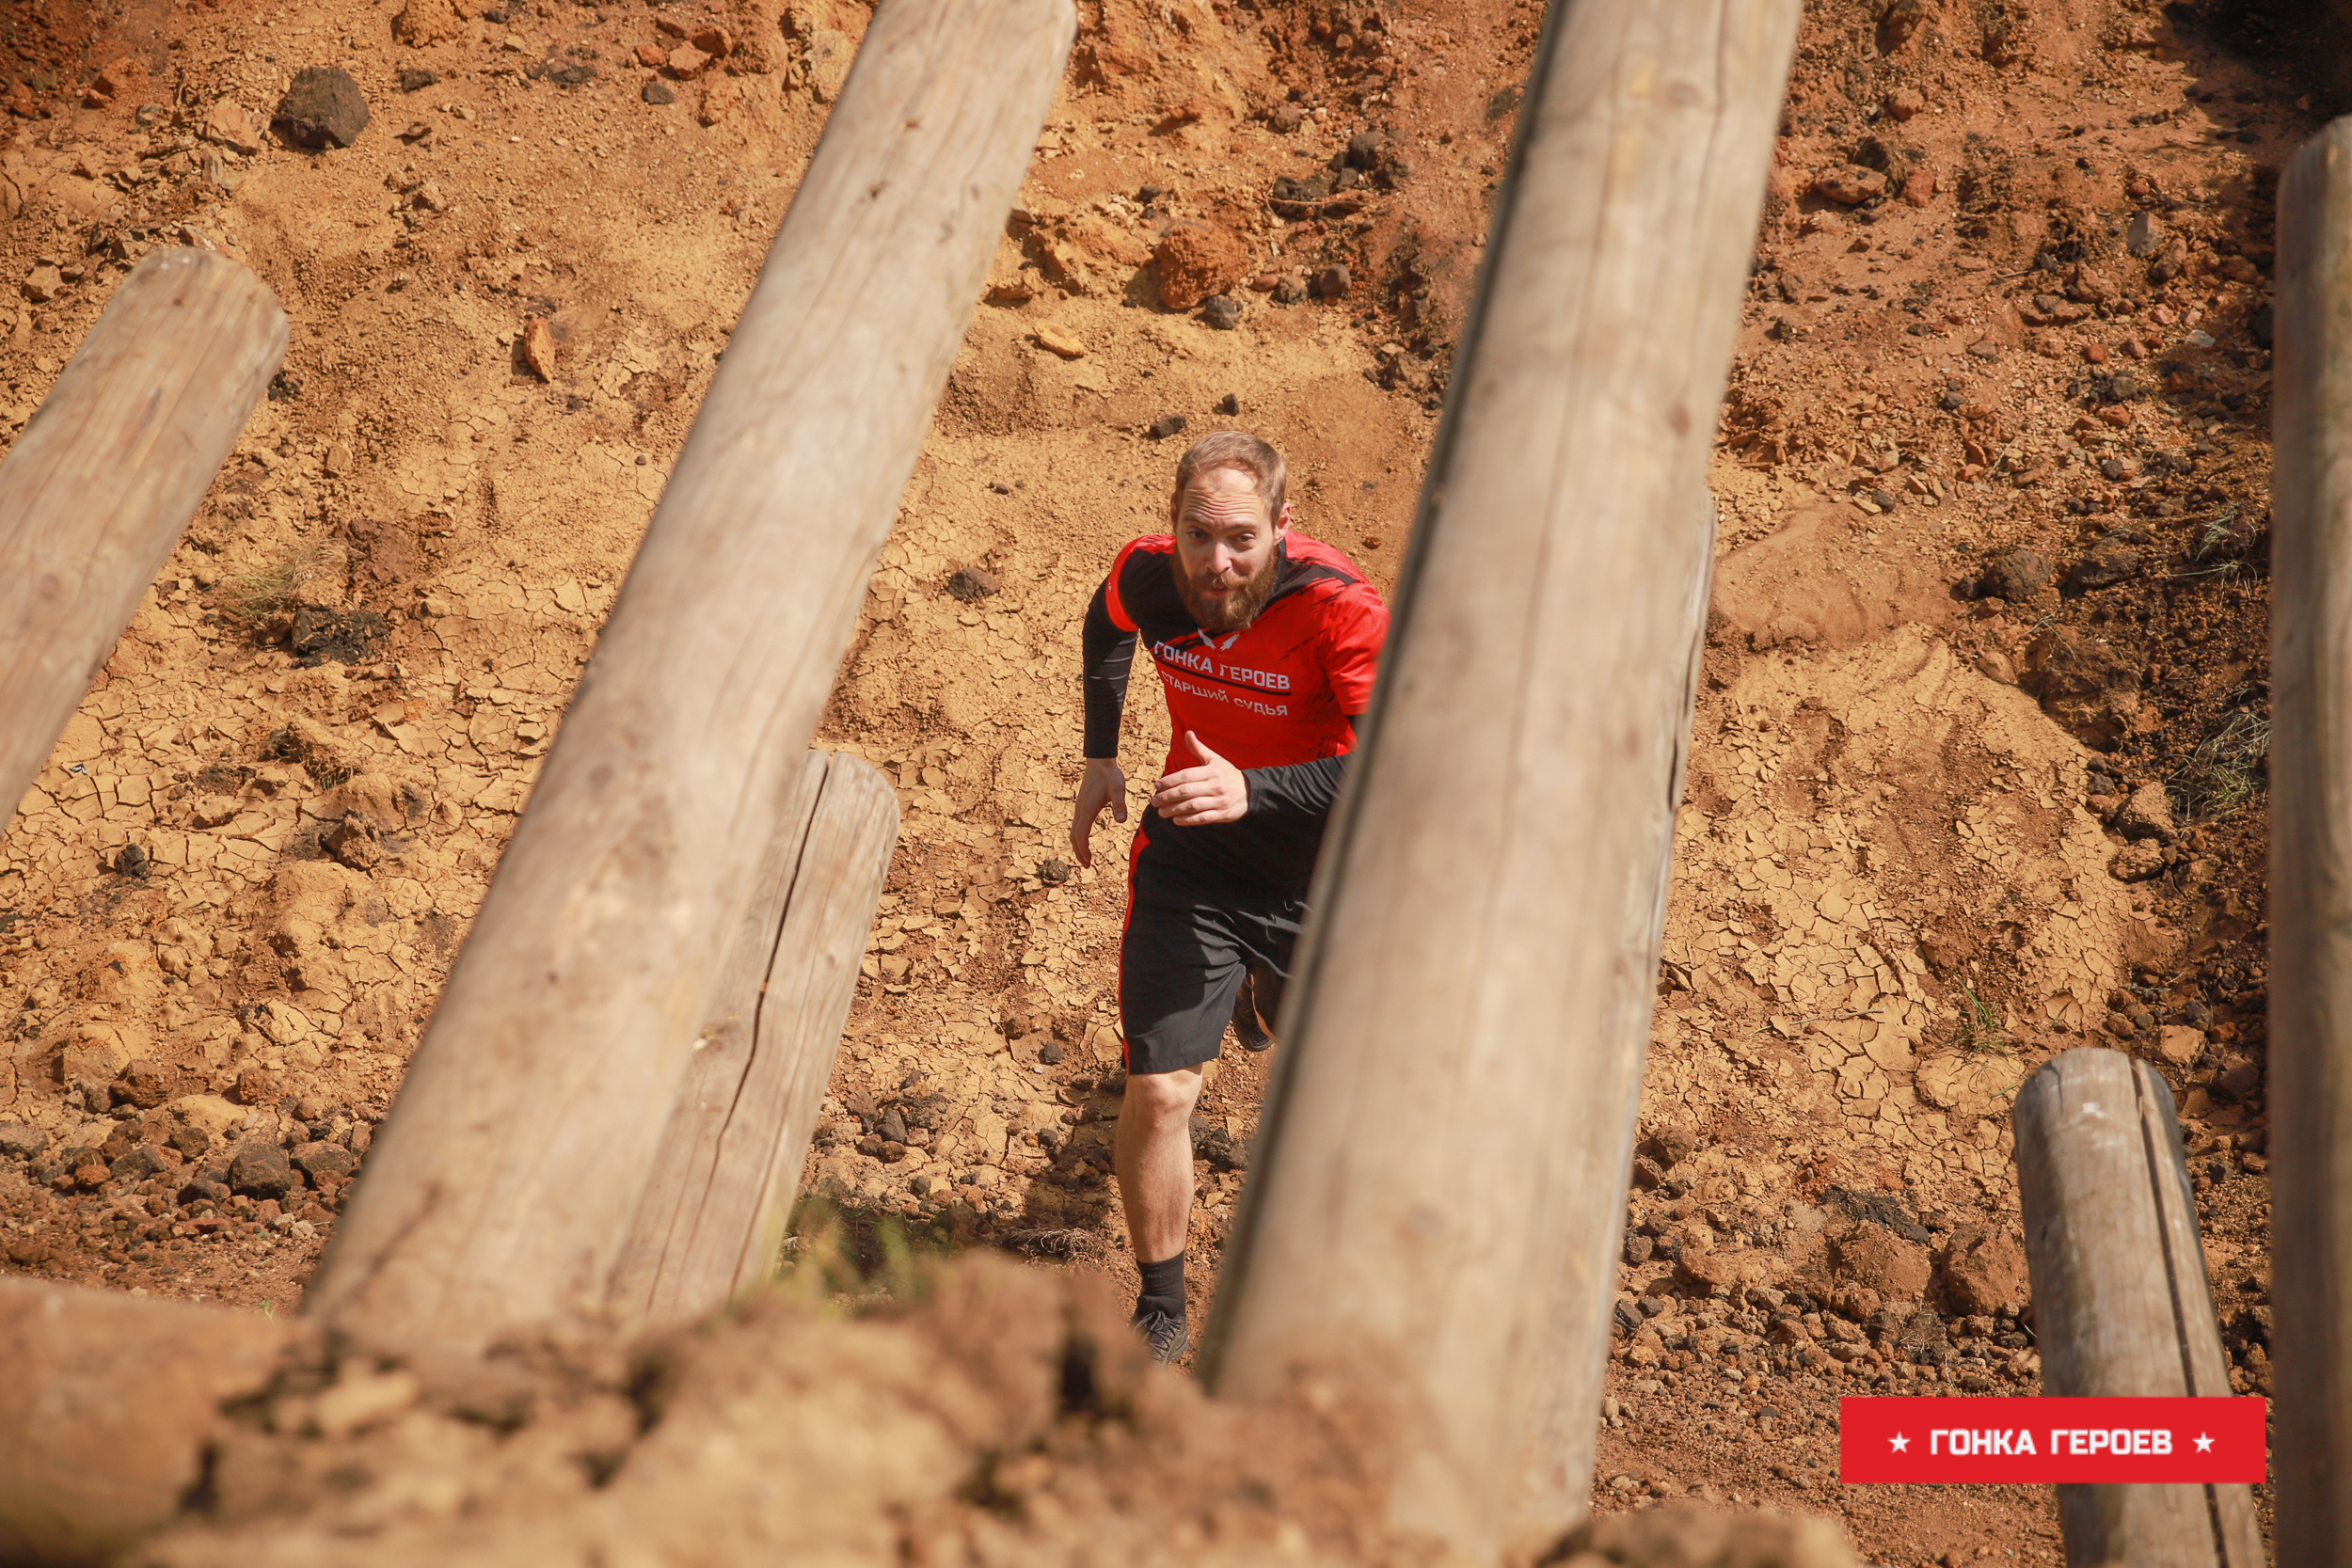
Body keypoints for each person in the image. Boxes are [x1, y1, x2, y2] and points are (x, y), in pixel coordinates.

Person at [1070, 429, 1389, 1363]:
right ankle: (1161, 1307)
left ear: (1284, 525)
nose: (1218, 563)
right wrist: (1100, 755)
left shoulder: (1338, 607)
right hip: (1193, 855)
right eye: (1199, 536)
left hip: (1322, 871)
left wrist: (1255, 788)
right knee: (1163, 1087)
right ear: (1172, 524)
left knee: (1331, 1092)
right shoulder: (1150, 575)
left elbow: (1399, 764)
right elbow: (1105, 623)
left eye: (1242, 538)